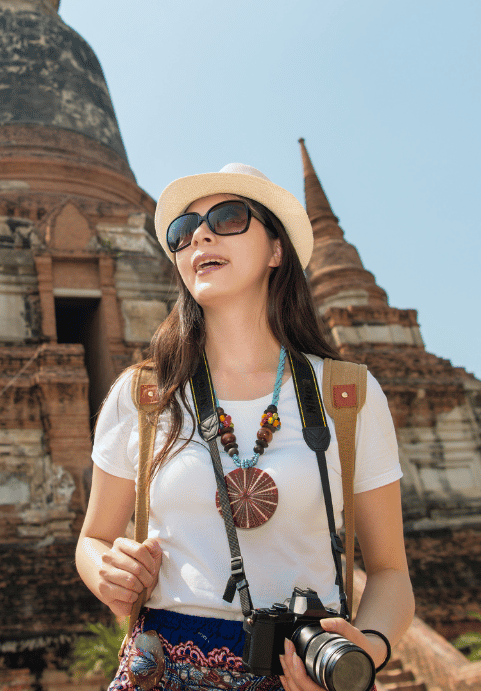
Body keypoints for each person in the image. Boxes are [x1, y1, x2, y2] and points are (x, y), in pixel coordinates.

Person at [76, 164, 414, 691]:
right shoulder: (144, 396)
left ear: (276, 249)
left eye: (228, 217)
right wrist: (107, 572)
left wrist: (366, 649)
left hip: (300, 667)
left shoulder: (346, 396)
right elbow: (93, 538)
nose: (201, 235)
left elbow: (390, 569)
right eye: (182, 232)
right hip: (162, 670)